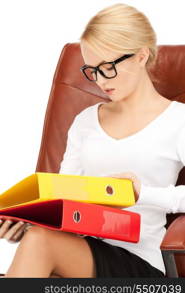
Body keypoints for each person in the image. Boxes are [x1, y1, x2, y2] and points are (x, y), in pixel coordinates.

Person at [1, 2, 185, 278]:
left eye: (107, 67)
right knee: (38, 237)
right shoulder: (85, 121)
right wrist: (28, 221)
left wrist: (141, 193)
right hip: (80, 249)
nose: (99, 80)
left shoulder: (178, 120)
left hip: (139, 261)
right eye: (91, 70)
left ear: (141, 56)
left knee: (40, 242)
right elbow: (64, 194)